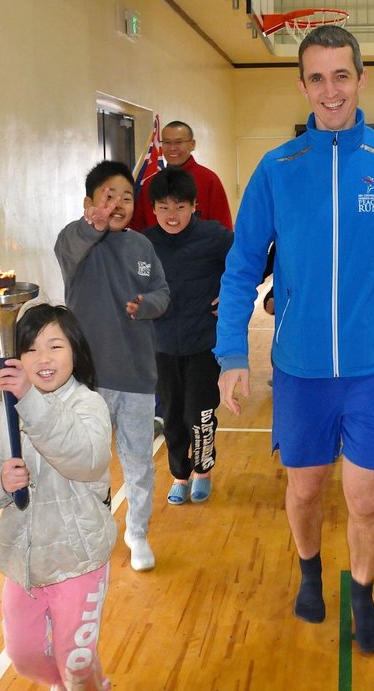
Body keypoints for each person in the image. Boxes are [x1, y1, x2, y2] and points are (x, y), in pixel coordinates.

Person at [214, 26, 374, 655]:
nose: (330, 90)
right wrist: (232, 354)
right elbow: (242, 267)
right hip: (300, 369)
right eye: (317, 78)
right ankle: (309, 570)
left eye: (341, 76)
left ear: (361, 80)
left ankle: (364, 593)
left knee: (366, 496)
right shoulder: (278, 169)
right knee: (304, 488)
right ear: (302, 86)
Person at [0, 304, 115, 691]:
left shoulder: (88, 405)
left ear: (76, 352)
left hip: (79, 562)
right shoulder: (5, 416)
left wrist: (29, 400)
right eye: (31, 349)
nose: (43, 358)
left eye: (55, 346)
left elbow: (87, 458)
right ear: (17, 359)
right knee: (24, 656)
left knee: (76, 662)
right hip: (24, 567)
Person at [55, 161, 170, 572]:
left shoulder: (142, 246)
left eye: (126, 197)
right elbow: (71, 242)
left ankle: (137, 533)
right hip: (90, 382)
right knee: (90, 462)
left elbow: (162, 292)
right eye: (108, 196)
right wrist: (93, 225)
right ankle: (95, 530)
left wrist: (147, 304)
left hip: (137, 376)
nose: (118, 204)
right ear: (89, 202)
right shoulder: (76, 243)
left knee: (139, 461)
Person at [142, 167, 233, 505]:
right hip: (162, 346)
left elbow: (251, 263)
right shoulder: (144, 245)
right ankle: (179, 474)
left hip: (203, 344)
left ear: (195, 206)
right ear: (153, 209)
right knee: (172, 416)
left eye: (180, 206)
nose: (172, 215)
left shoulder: (215, 237)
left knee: (200, 413)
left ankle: (203, 471)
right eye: (164, 207)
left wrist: (231, 296)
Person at [131, 120, 234, 232]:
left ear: (192, 144)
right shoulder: (150, 183)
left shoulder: (209, 180)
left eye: (178, 142)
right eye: (167, 142)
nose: (172, 148)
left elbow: (223, 228)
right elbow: (138, 228)